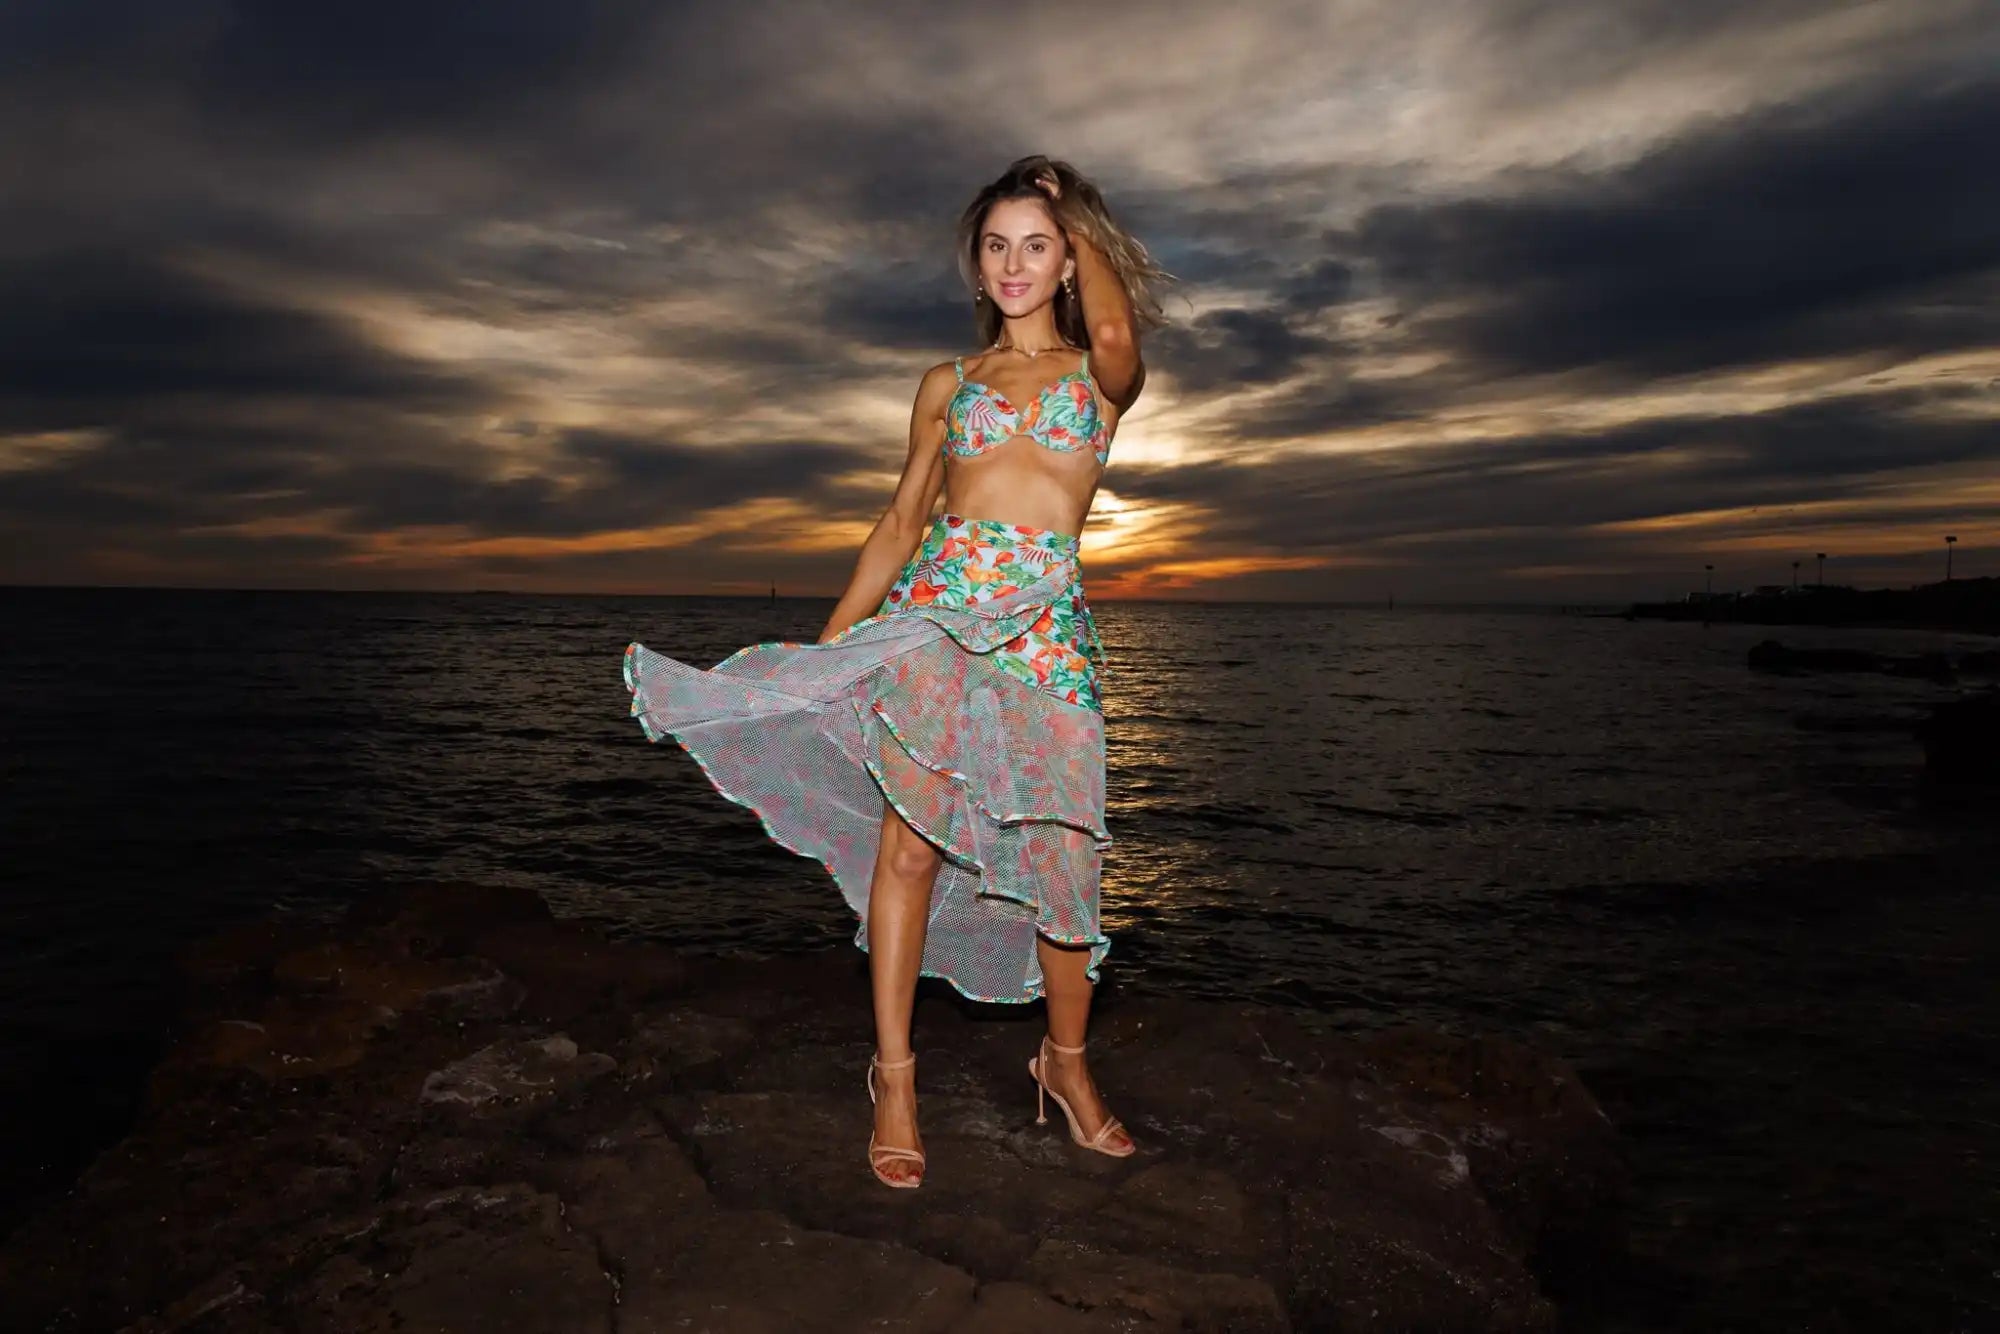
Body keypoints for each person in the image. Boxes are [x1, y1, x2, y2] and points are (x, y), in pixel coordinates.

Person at [623, 155, 1167, 1188]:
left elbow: (1112, 331)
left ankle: (1064, 1062)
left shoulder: (1100, 379)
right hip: (931, 623)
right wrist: (834, 644)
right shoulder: (946, 385)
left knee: (1065, 860)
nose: (1013, 264)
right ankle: (896, 1077)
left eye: (1036, 245)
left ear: (1068, 261)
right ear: (976, 263)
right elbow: (903, 518)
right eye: (996, 245)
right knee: (907, 852)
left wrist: (1074, 212)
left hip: (1045, 636)